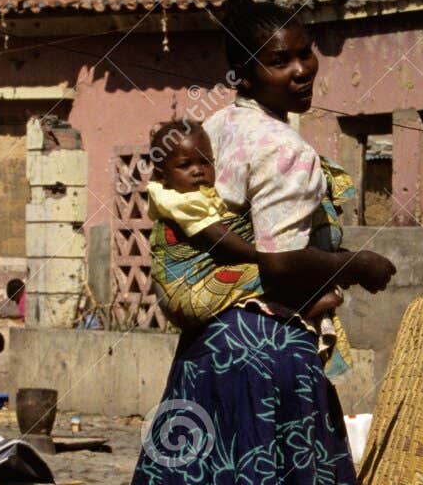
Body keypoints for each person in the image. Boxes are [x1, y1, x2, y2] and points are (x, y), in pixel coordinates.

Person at [115, 0, 396, 485]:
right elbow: (277, 264)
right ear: (244, 70)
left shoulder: (205, 132)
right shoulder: (289, 152)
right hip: (268, 351)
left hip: (205, 350)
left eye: (307, 53)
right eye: (279, 59)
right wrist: (352, 264)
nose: (301, 69)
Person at [144, 119, 350, 371]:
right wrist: (266, 257)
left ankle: (299, 303)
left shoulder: (196, 192)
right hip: (184, 293)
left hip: (192, 299)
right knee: (268, 273)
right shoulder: (180, 201)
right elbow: (221, 240)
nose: (198, 170)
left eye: (205, 162)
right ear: (161, 175)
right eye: (185, 165)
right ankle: (306, 302)